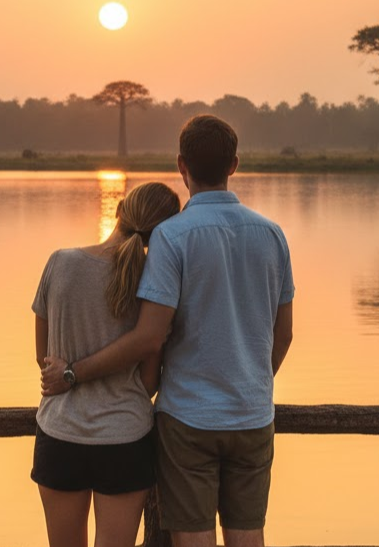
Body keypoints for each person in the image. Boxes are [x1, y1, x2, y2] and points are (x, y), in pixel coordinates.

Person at [42, 115, 295, 547]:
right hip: (252, 414)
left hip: (188, 417)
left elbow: (148, 338)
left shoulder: (172, 237)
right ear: (234, 164)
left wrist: (72, 373)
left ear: (182, 165)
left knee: (192, 539)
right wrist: (252, 383)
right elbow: (283, 333)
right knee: (249, 534)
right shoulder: (272, 235)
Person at [31, 181, 181, 547]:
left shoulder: (60, 263)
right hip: (125, 441)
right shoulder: (155, 284)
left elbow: (43, 359)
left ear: (120, 209)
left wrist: (71, 374)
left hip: (61, 435)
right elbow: (148, 382)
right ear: (161, 235)